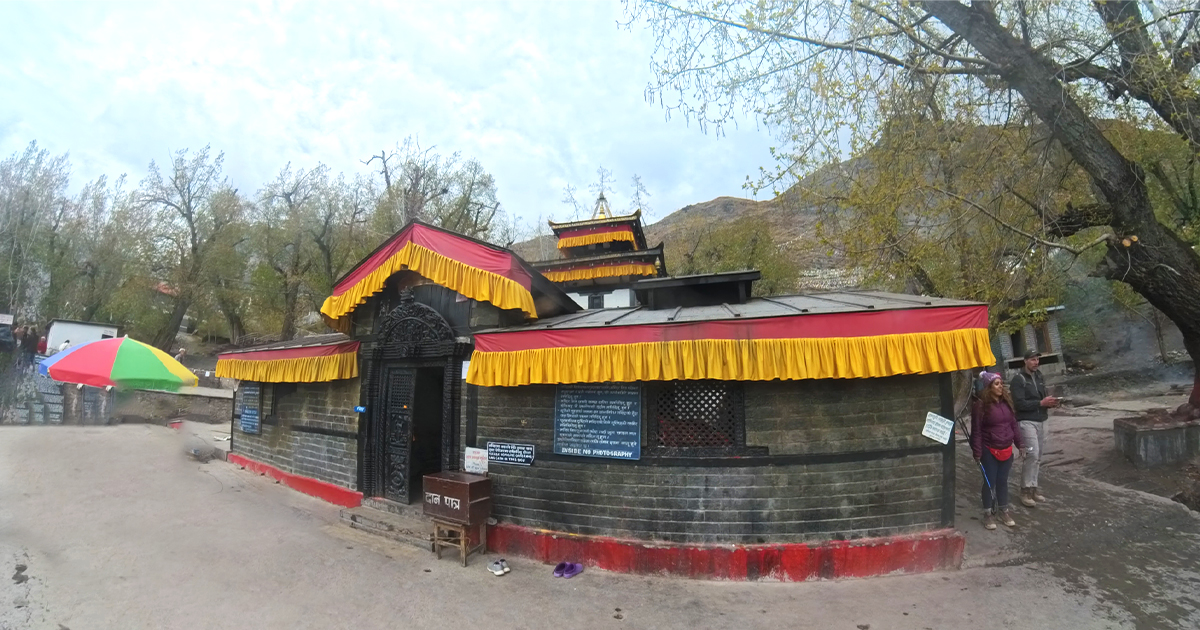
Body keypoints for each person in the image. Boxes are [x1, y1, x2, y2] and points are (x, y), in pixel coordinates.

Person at [971, 372, 1026, 530]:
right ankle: (988, 514)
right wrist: (977, 452)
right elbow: (976, 431)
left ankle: (1004, 511)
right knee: (990, 482)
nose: (1000, 386)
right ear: (988, 387)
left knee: (1003, 481)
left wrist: (1020, 444)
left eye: (1001, 383)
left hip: (1006, 448)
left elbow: (1013, 425)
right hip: (989, 450)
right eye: (996, 384)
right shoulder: (980, 406)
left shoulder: (1006, 403)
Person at [1010, 350, 1059, 507]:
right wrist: (1040, 403)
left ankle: (1033, 488)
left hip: (1042, 420)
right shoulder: (1018, 379)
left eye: (1037, 359)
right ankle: (1025, 491)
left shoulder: (1039, 376)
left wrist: (1050, 403)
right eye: (1032, 359)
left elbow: (1042, 398)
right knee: (1032, 454)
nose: (1036, 362)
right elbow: (1019, 404)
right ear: (1025, 361)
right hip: (1026, 422)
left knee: (1038, 456)